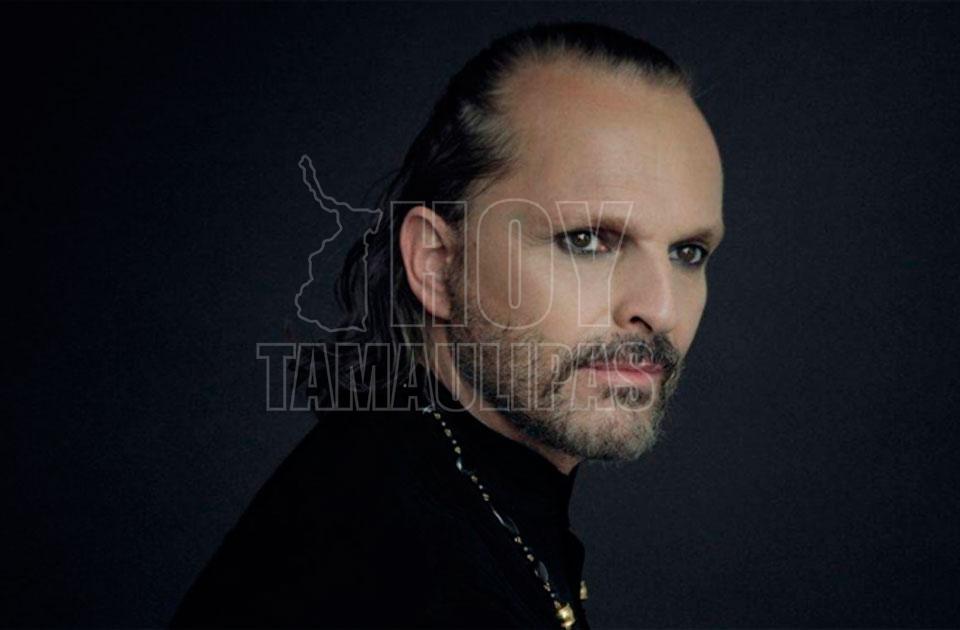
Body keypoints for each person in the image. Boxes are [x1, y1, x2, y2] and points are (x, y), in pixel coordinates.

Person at [171, 20, 724, 630]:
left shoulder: (449, 494)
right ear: (436, 264)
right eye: (587, 240)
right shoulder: (378, 563)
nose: (660, 309)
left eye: (688, 252)